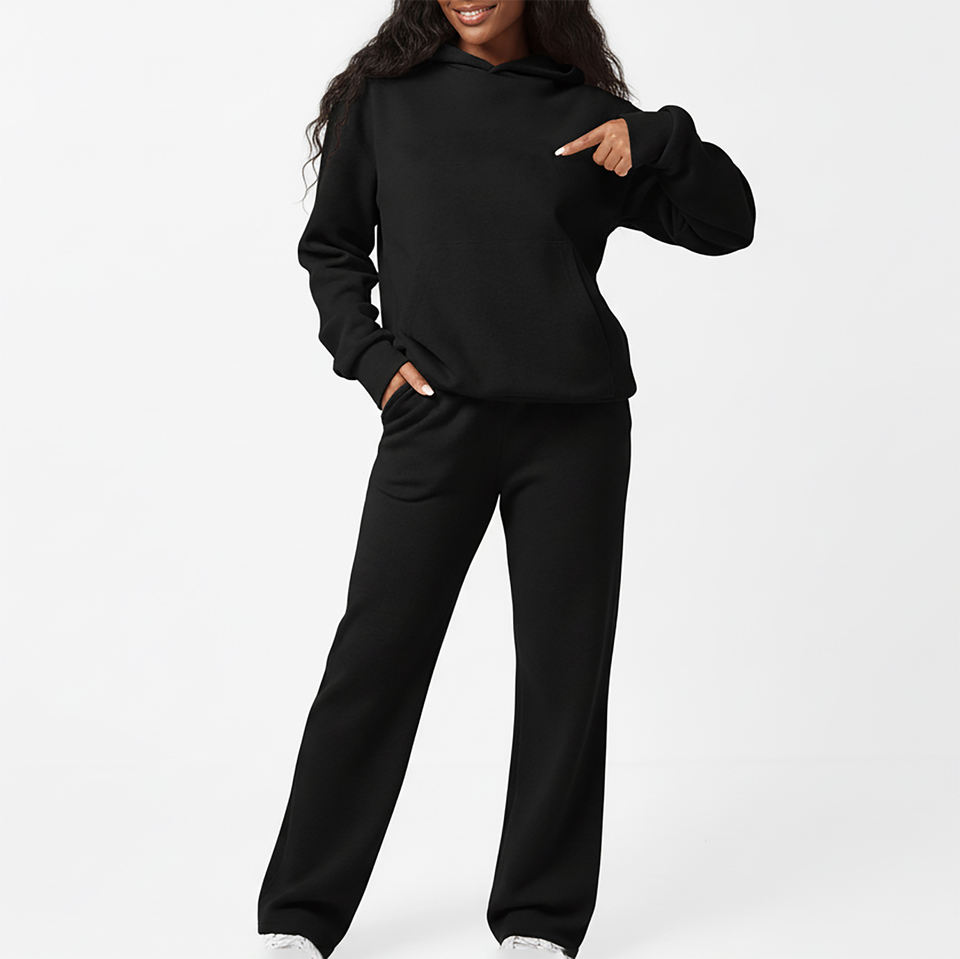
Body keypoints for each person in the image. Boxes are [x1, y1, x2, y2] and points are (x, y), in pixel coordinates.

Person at [257, 2, 756, 957]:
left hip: (575, 429)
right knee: (374, 660)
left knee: (566, 672)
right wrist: (372, 361)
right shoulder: (384, 101)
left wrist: (660, 137)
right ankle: (301, 912)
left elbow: (727, 223)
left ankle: (539, 917)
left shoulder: (587, 115)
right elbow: (332, 249)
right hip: (435, 423)